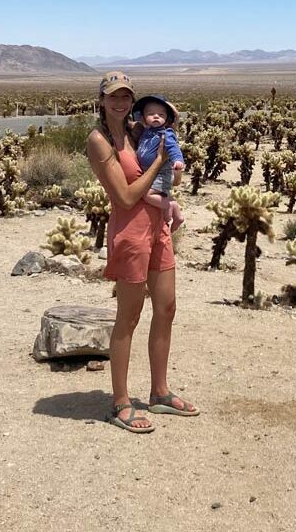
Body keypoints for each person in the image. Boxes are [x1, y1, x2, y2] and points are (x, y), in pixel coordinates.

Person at [85, 71, 200, 433]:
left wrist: (171, 164)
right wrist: (159, 162)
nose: (120, 103)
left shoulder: (139, 131)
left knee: (166, 307)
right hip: (132, 234)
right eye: (113, 97)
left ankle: (159, 391)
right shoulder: (99, 141)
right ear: (101, 100)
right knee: (129, 317)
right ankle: (120, 402)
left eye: (125, 97)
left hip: (158, 229)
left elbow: (173, 176)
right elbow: (125, 196)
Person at [132, 94, 186, 232]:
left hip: (161, 172)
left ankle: (172, 205)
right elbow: (136, 116)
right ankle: (172, 219)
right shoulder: (147, 131)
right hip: (149, 172)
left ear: (167, 118)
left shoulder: (166, 133)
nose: (156, 116)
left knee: (148, 195)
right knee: (158, 201)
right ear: (144, 118)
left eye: (161, 114)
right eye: (151, 114)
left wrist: (178, 161)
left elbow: (173, 148)